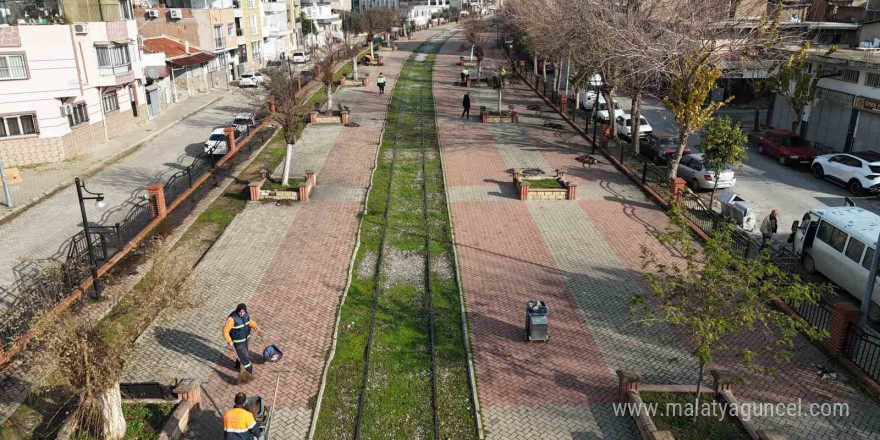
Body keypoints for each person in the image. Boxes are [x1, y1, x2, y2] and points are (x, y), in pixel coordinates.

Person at [223, 303, 260, 374]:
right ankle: (249, 371)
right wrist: (229, 340)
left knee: (242, 353)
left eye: (243, 312)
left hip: (246, 339)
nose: (241, 313)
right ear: (237, 311)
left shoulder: (246, 315)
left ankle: (238, 364)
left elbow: (249, 322)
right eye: (240, 312)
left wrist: (255, 326)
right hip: (238, 342)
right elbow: (225, 331)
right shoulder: (231, 319)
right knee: (244, 356)